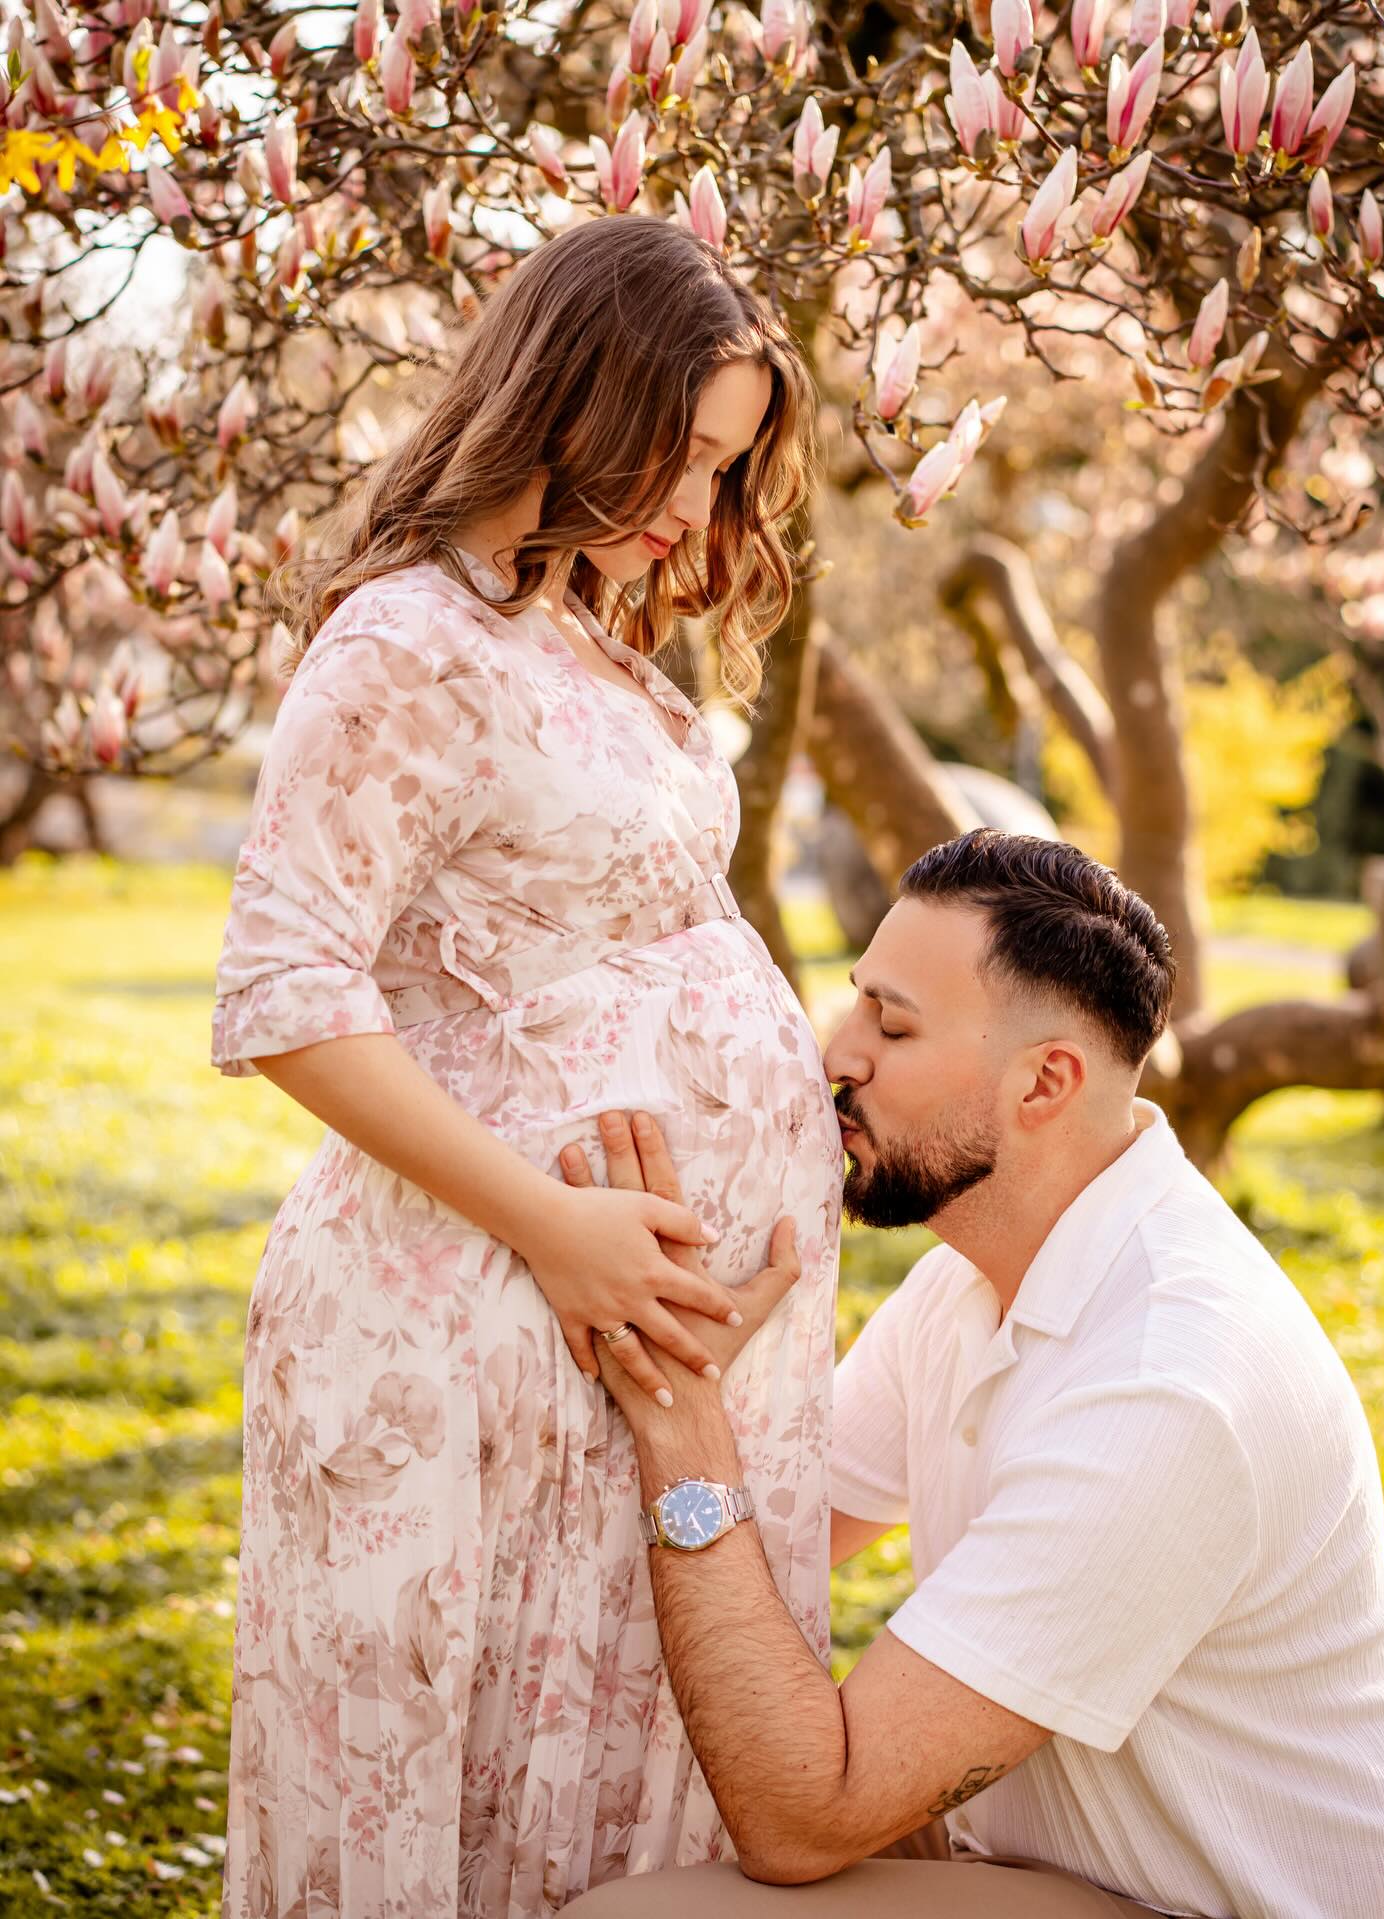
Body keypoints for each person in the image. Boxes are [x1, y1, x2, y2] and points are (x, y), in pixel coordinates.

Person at [209, 216, 844, 1919]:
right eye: (681, 456)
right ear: (570, 397)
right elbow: (284, 987)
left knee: (615, 1791)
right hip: (474, 1315)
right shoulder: (405, 643)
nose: (698, 513)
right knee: (468, 1807)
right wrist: (559, 1230)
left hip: (629, 1342)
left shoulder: (587, 639)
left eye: (723, 472)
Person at [561, 831, 1384, 1919]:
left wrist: (681, 1418)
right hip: (1052, 1875)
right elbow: (784, 1531)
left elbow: (804, 1815)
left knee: (632, 1918)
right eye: (854, 1004)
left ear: (1045, 1081)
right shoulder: (973, 1284)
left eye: (891, 1023)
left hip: (1213, 1906)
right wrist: (683, 1334)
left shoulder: (1169, 1382)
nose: (833, 1054)